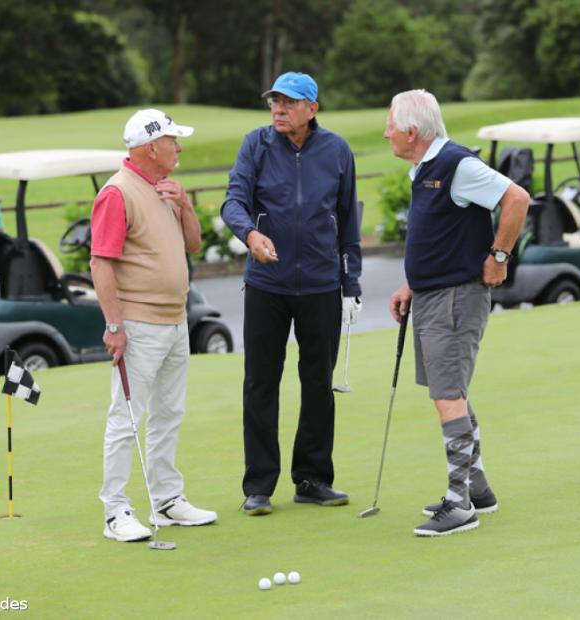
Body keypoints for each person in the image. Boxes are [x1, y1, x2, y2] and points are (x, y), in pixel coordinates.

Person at [384, 90, 530, 537]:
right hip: (432, 293)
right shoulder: (424, 169)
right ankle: (478, 490)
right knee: (452, 392)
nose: (386, 132)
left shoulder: (458, 165)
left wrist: (499, 256)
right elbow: (441, 234)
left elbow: (517, 199)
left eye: (390, 125)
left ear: (411, 132)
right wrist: (413, 281)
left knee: (447, 396)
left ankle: (459, 503)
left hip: (455, 297)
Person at [221, 72, 363, 516]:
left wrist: (351, 284)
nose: (278, 110)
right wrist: (249, 235)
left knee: (317, 384)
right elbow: (233, 201)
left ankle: (313, 478)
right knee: (261, 383)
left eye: (288, 102)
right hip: (267, 285)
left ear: (312, 109)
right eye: (274, 102)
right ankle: (259, 485)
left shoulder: (336, 150)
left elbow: (348, 222)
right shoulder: (256, 144)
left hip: (322, 285)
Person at [91, 109, 217, 542]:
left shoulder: (164, 188)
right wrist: (114, 325)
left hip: (176, 320)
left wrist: (184, 204)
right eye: (172, 141)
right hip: (139, 324)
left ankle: (167, 499)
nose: (179, 147)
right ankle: (115, 511)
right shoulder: (117, 192)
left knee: (168, 415)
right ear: (151, 147)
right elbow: (101, 262)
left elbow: (194, 243)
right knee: (126, 419)